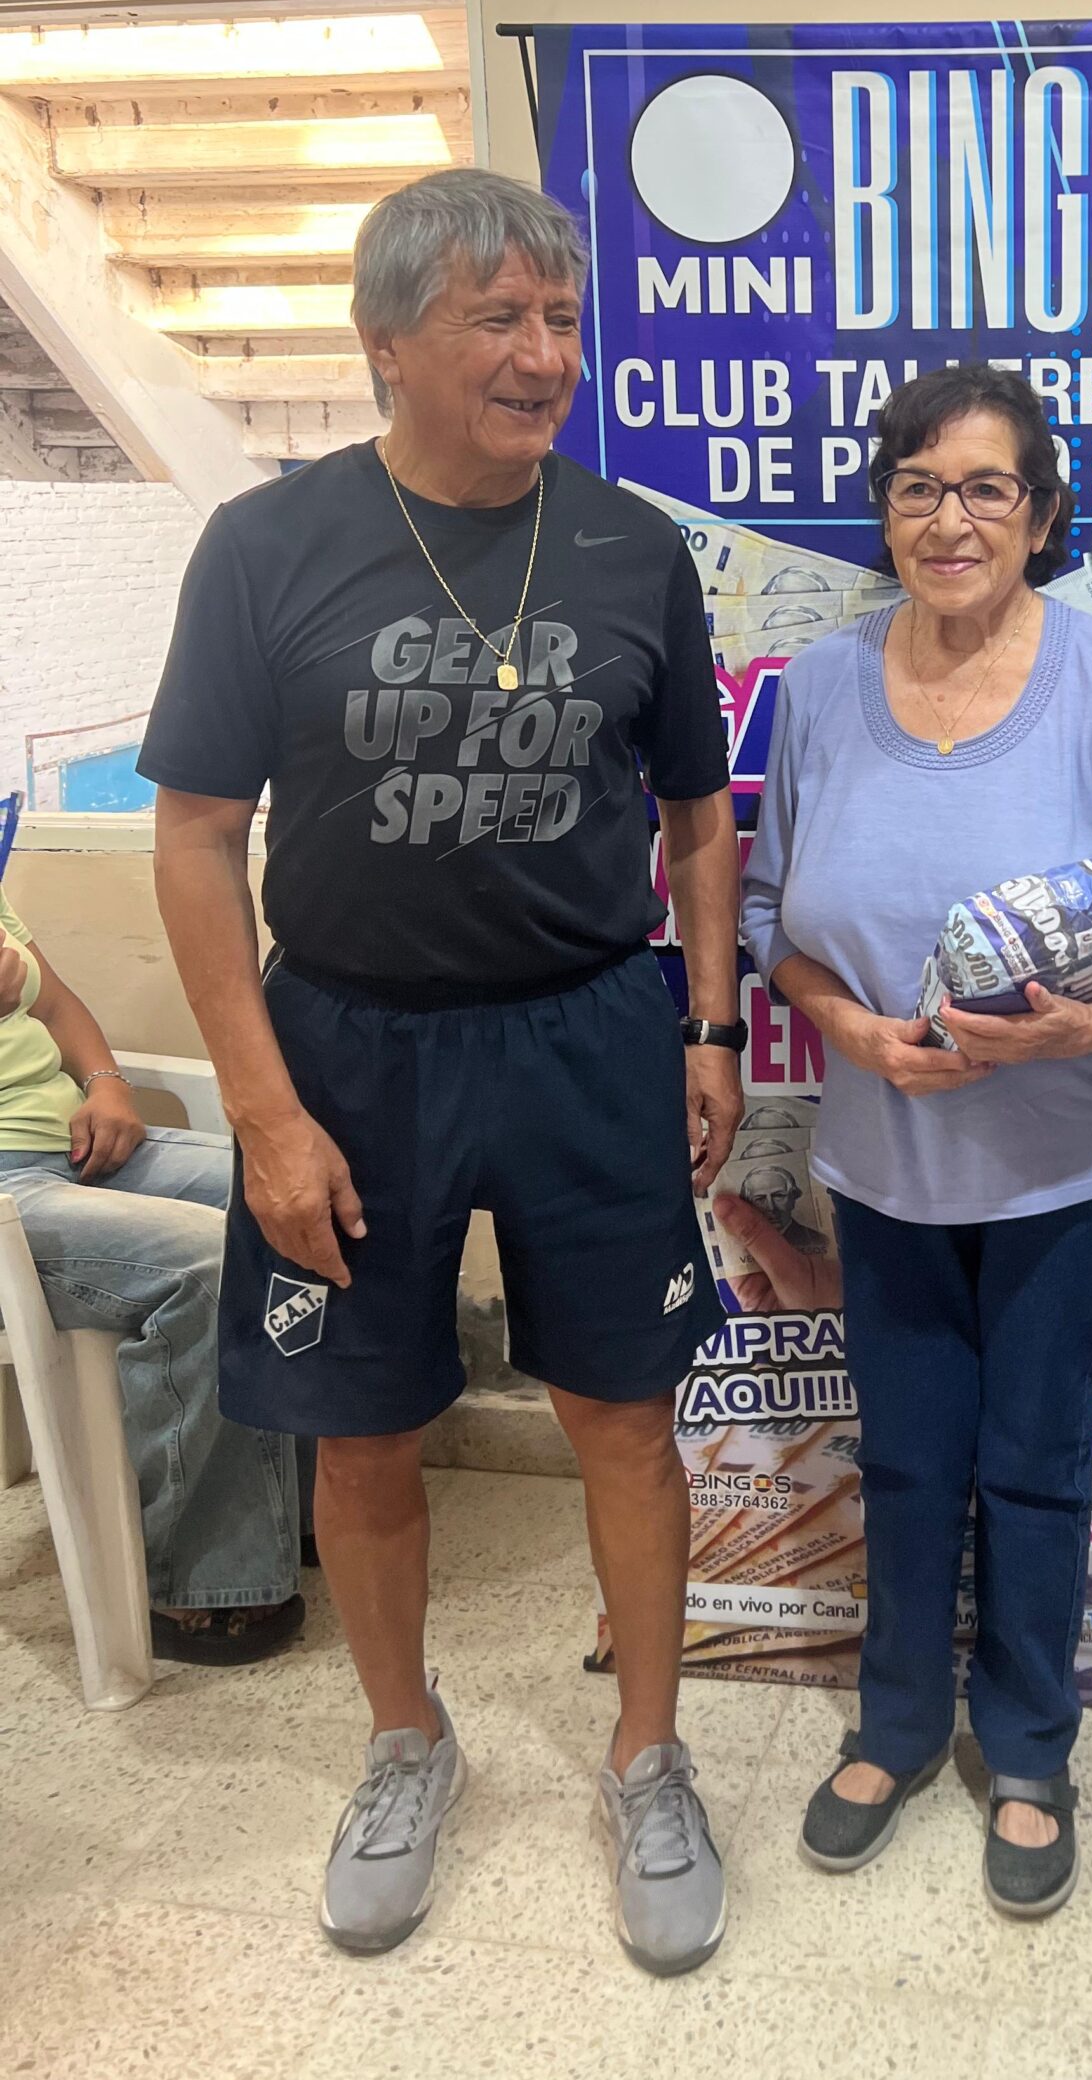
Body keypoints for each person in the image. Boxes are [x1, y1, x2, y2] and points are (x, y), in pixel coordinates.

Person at [139, 167, 745, 1974]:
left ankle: (649, 1758)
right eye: (498, 318)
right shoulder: (268, 547)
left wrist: (710, 1025)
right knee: (363, 1428)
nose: (544, 354)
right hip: (347, 1049)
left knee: (625, 1418)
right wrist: (262, 1112)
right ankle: (405, 1743)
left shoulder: (632, 547)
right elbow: (196, 838)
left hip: (588, 1032)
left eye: (561, 319)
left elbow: (700, 816)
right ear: (385, 342)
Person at [740, 363, 1092, 1918]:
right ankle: (895, 1728)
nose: (952, 520)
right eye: (920, 487)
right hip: (886, 1162)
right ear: (884, 511)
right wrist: (848, 1029)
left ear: (1043, 515)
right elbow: (765, 913)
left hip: (1067, 1159)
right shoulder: (820, 687)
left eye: (987, 488)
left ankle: (1029, 1749)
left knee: (1034, 1466)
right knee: (910, 1459)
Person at [0, 891, 303, 1661]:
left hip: (78, 1147)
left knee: (298, 1192)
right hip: (8, 1189)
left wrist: (107, 1085)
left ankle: (294, 1514)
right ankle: (200, 1582)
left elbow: (56, 1004)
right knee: (209, 1263)